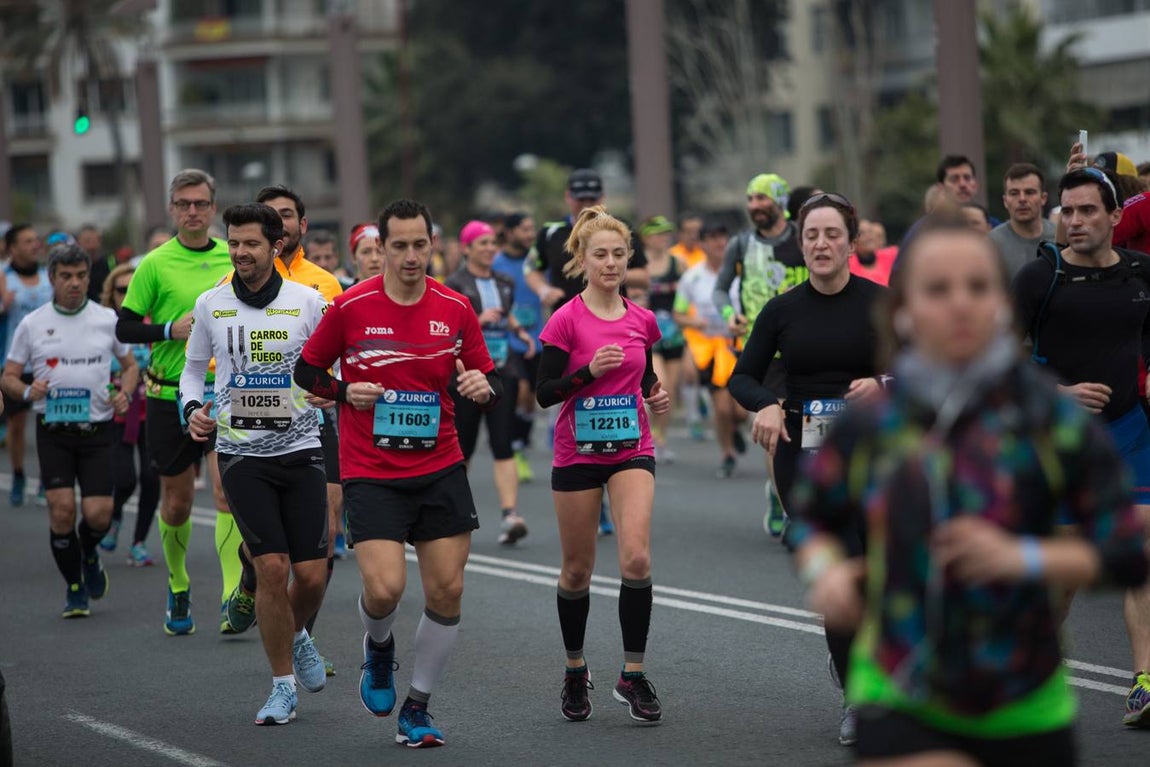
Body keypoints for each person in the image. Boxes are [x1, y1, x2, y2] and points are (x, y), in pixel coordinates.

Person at [791, 216, 1149, 766]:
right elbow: (811, 517)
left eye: (978, 286)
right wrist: (826, 572)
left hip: (1024, 699)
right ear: (904, 311)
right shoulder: (872, 425)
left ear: (1003, 307)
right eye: (938, 289)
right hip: (899, 688)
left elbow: (1125, 550)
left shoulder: (1047, 417)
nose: (960, 303)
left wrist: (1023, 557)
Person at [294, 199, 502, 748]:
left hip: (439, 465)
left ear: (433, 245)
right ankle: (378, 648)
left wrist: (483, 387)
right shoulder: (349, 307)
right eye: (400, 245)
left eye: (420, 244)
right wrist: (343, 391)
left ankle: (418, 707)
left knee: (447, 590)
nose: (411, 256)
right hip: (373, 469)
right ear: (380, 248)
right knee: (385, 590)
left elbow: (482, 373)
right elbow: (306, 370)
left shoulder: (455, 308)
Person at [728, 193, 886, 746]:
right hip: (806, 460)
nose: (821, 244)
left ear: (851, 240)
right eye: (811, 235)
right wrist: (767, 404)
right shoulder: (782, 310)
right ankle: (858, 699)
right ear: (800, 243)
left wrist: (883, 385)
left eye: (832, 234)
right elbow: (741, 377)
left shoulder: (880, 304)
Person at [181, 202, 330, 725]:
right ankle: (281, 685)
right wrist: (192, 410)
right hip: (241, 453)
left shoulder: (308, 302)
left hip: (302, 447)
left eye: (250, 243)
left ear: (276, 245)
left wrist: (330, 392)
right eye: (233, 242)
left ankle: (299, 630)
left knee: (312, 575)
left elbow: (331, 364)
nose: (240, 252)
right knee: (272, 567)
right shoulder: (211, 304)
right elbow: (193, 370)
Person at [1013, 167, 1150, 727]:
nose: (1075, 221)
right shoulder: (1039, 279)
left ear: (1116, 217)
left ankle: (1145, 680)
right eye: (1067, 211)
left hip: (1128, 430)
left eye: (1088, 210)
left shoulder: (1144, 274)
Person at [536, 206, 671, 725]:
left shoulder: (643, 319)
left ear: (628, 258)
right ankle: (575, 668)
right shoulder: (565, 319)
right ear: (582, 259)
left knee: (635, 559)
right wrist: (586, 372)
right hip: (577, 454)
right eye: (601, 255)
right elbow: (547, 393)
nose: (611, 263)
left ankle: (632, 675)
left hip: (632, 449)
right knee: (577, 569)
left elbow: (644, 379)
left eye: (619, 254)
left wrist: (655, 396)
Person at [218, 186, 346, 673]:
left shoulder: (322, 285)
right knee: (269, 557)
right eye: (273, 216)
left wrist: (332, 388)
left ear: (299, 226)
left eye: (287, 215)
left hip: (311, 426)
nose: (282, 223)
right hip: (245, 434)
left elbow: (339, 350)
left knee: (322, 542)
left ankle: (299, 635)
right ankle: (255, 585)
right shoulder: (227, 285)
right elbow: (215, 356)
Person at [115, 169, 240, 636]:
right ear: (172, 208)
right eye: (184, 204)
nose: (192, 211)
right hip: (169, 394)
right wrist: (170, 329)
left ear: (213, 208)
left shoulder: (234, 256)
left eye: (201, 204)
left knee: (227, 493)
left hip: (224, 396)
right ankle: (178, 581)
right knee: (178, 503)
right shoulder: (155, 263)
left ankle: (230, 596)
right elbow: (125, 327)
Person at [1, 244, 138, 617]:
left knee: (98, 515)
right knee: (61, 511)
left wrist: (124, 392)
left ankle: (89, 552)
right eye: (66, 277)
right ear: (52, 279)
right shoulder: (33, 324)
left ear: (88, 277)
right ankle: (75, 587)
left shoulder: (106, 318)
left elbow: (129, 365)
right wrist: (29, 391)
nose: (74, 283)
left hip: (97, 430)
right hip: (54, 430)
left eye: (80, 276)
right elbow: (9, 377)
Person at [446, 220, 535, 544]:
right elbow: (445, 327)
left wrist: (518, 331)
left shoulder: (505, 281)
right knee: (462, 447)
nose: (488, 248)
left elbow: (505, 312)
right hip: (466, 378)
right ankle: (451, 512)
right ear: (467, 248)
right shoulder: (454, 284)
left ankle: (510, 515)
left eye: (491, 243)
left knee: (503, 442)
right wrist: (477, 322)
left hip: (501, 373)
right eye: (481, 243)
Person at [673, 221, 746, 479]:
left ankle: (734, 429)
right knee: (722, 408)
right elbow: (679, 314)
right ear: (703, 243)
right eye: (714, 238)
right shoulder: (691, 277)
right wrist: (696, 322)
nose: (720, 244)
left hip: (740, 346)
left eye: (724, 238)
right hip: (710, 349)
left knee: (740, 411)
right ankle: (727, 453)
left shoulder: (742, 272)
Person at [98, 263, 159, 567]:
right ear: (111, 293)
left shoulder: (152, 322)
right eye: (121, 290)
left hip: (152, 412)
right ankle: (113, 518)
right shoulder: (102, 324)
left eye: (132, 288)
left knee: (152, 478)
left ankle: (138, 542)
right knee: (124, 480)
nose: (126, 295)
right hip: (116, 413)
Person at [525, 168, 649, 311]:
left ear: (602, 197)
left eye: (592, 199)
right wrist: (543, 290)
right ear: (568, 197)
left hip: (613, 315)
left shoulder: (621, 228)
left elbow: (644, 278)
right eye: (581, 199)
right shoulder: (551, 231)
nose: (587, 205)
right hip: (566, 319)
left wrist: (611, 271)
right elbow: (531, 267)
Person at [0, 224, 51, 506]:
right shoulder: (3, 277)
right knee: (17, 424)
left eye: (35, 240)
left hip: (47, 360)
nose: (35, 245)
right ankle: (19, 474)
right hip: (13, 362)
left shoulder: (48, 276)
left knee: (47, 420)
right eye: (27, 241)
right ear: (12, 248)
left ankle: (47, 476)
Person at [492, 212, 542, 483]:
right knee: (520, 389)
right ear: (509, 232)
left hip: (537, 338)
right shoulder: (496, 263)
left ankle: (520, 441)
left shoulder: (536, 261)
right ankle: (515, 449)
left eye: (532, 228)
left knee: (531, 398)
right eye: (524, 229)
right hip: (508, 340)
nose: (530, 234)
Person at [640, 216, 686, 462]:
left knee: (670, 392)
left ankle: (661, 437)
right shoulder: (639, 265)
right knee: (661, 384)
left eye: (666, 233)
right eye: (658, 234)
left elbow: (689, 296)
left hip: (674, 335)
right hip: (650, 336)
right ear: (646, 237)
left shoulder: (678, 264)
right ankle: (648, 436)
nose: (663, 238)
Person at [989, 163, 1056, 279]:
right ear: (1005, 201)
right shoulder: (991, 244)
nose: (1022, 199)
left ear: (1043, 198)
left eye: (1029, 192)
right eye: (1014, 193)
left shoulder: (1059, 238)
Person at [849, 219, 897, 287]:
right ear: (853, 241)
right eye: (862, 233)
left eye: (870, 231)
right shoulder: (847, 265)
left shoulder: (890, 256)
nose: (869, 237)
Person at [77, 225, 112, 303]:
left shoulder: (111, 264)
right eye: (87, 241)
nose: (91, 246)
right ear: (78, 242)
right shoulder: (73, 267)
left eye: (95, 241)